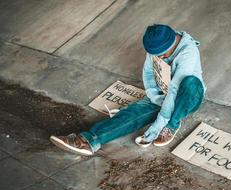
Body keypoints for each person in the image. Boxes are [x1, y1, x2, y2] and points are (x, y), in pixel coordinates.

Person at [50, 24, 206, 156]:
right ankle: (88, 140)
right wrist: (154, 97)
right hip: (163, 94)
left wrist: (160, 123)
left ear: (173, 43)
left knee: (190, 83)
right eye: (157, 55)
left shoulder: (188, 52)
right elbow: (149, 73)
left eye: (163, 54)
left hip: (188, 95)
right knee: (132, 114)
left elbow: (175, 89)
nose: (162, 57)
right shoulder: (156, 46)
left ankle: (172, 124)